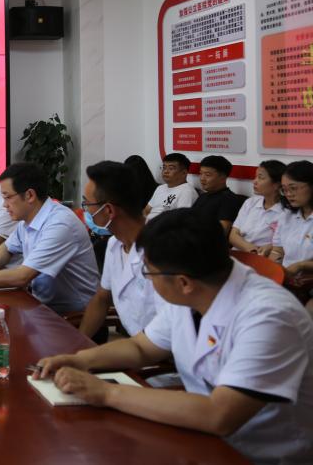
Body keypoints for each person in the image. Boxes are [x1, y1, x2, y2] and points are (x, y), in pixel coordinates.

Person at [34, 209, 313, 465]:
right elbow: (142, 348)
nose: (148, 279)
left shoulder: (270, 317)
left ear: (183, 282)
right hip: (200, 440)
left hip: (261, 454)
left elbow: (219, 415)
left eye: (148, 272)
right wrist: (80, 359)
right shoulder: (196, 289)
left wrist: (105, 392)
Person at [0, 162, 99, 314]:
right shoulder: (27, 219)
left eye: (8, 197)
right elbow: (5, 248)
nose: (4, 205)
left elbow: (22, 276)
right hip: (40, 305)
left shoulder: (60, 224)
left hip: (73, 316)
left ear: (30, 195)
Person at [77, 162, 160, 343]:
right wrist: (79, 342)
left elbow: (165, 334)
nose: (86, 210)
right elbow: (102, 298)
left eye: (87, 203)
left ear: (108, 210)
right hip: (136, 344)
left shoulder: (160, 250)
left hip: (160, 351)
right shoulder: (115, 244)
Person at [270, 161, 313, 296]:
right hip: (288, 282)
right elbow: (278, 251)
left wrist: (302, 265)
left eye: (293, 188)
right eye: (284, 189)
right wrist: (274, 270)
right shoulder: (286, 215)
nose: (288, 194)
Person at [228, 160, 285, 255]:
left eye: (261, 178)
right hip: (240, 253)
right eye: (255, 177)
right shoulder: (251, 202)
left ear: (277, 185)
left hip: (264, 257)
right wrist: (252, 249)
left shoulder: (286, 211)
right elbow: (233, 236)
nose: (254, 181)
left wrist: (270, 248)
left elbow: (286, 242)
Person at [192, 155, 245, 236]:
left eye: (207, 175)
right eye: (201, 174)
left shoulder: (228, 199)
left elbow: (221, 232)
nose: (202, 178)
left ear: (222, 177)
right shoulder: (203, 196)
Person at [144, 153, 198, 221]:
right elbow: (147, 210)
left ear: (184, 173)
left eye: (171, 168)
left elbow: (181, 219)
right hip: (149, 224)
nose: (166, 171)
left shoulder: (187, 191)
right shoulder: (160, 188)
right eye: (164, 168)